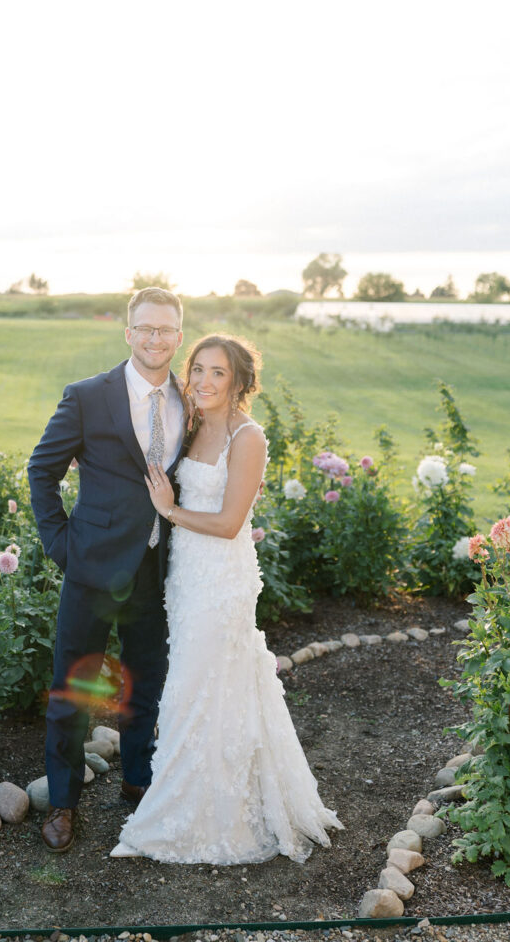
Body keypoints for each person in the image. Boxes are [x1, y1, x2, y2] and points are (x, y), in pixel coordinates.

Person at [111, 334, 343, 864]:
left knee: (209, 681)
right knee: (190, 685)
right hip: (185, 578)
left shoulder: (248, 437)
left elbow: (230, 522)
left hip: (222, 580)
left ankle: (220, 813)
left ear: (239, 381)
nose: (204, 382)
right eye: (198, 370)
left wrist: (169, 511)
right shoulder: (190, 426)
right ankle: (187, 791)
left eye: (218, 373)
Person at [27, 286, 186, 853]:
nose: (154, 339)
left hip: (155, 569)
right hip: (90, 569)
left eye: (165, 330)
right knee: (73, 691)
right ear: (128, 332)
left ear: (178, 336)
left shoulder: (189, 401)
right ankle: (64, 804)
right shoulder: (88, 396)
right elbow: (41, 471)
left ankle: (139, 785)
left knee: (145, 685)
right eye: (145, 328)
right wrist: (62, 546)